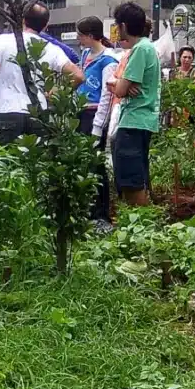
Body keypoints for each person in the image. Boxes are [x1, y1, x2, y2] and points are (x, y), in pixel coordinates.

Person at [0, 1, 83, 145]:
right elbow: (78, 76)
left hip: (7, 114)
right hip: (38, 114)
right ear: (46, 25)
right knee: (34, 163)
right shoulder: (51, 48)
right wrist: (57, 93)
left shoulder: (4, 40)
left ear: (23, 20)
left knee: (1, 163)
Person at [109, 2, 162, 206]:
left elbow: (121, 90)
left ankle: (140, 226)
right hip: (140, 121)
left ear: (123, 26)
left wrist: (120, 84)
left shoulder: (140, 49)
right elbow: (121, 85)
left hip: (134, 121)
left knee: (132, 180)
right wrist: (121, 83)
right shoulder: (146, 48)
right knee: (135, 175)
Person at [76, 16, 120, 229]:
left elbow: (106, 96)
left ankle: (101, 214)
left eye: (81, 35)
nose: (79, 39)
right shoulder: (86, 55)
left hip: (94, 116)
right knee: (85, 163)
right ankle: (88, 209)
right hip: (81, 112)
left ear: (91, 36)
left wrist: (97, 127)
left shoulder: (108, 60)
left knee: (96, 165)